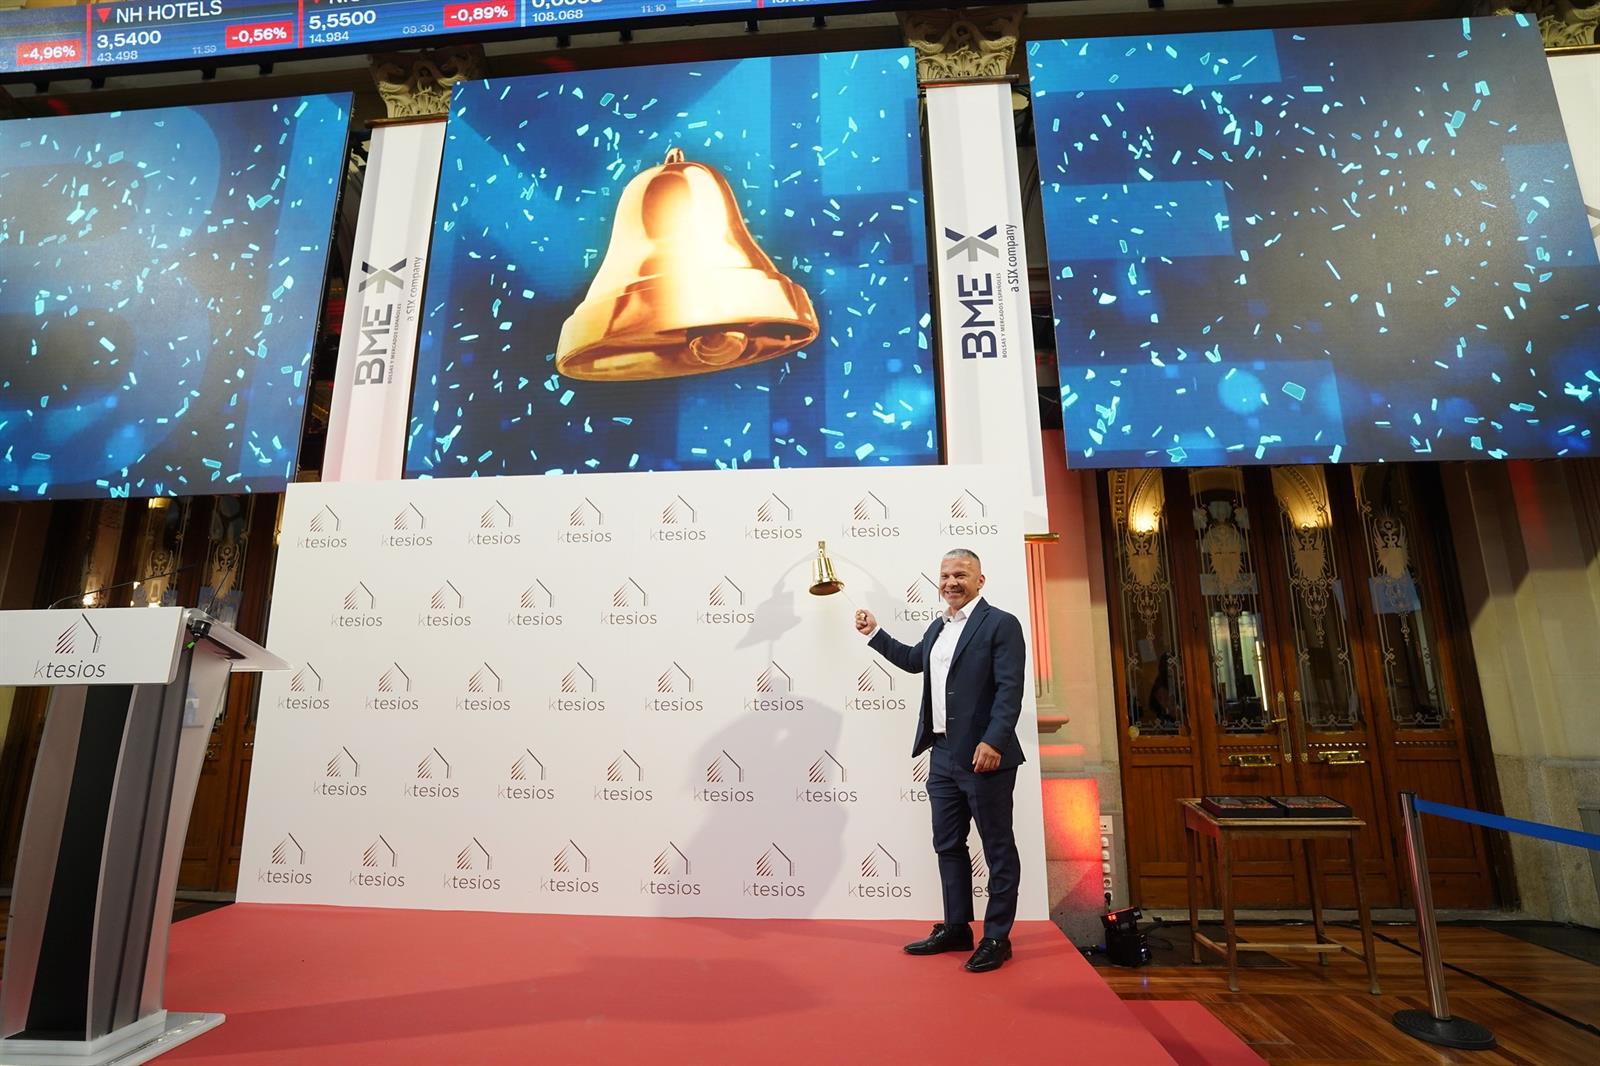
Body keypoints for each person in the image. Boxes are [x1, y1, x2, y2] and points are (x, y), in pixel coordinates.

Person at [854, 548, 1025, 973]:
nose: (951, 582)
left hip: (985, 755)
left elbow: (1010, 689)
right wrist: (876, 633)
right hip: (943, 754)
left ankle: (997, 938)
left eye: (961, 575)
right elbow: (914, 661)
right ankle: (956, 927)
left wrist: (994, 741)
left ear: (980, 580)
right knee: (948, 844)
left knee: (997, 848)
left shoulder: (1001, 624)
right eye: (946, 575)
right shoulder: (938, 627)